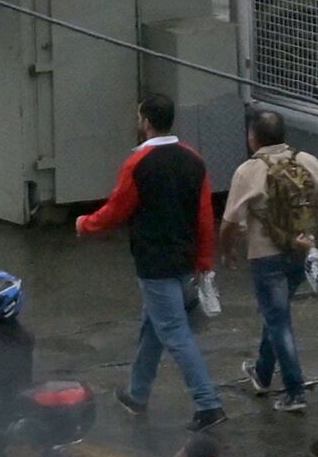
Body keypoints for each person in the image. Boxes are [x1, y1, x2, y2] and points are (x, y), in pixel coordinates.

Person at [71, 90, 219, 429]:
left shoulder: (137, 163)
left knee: (173, 331)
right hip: (184, 257)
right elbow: (204, 215)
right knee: (155, 325)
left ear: (147, 122)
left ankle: (208, 402)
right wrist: (204, 258)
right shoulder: (193, 160)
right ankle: (137, 394)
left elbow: (117, 209)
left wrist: (85, 224)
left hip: (154, 261)